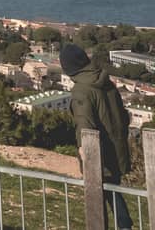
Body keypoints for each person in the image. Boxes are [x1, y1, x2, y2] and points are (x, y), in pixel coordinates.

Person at [63, 43, 132, 230]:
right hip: (117, 149)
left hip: (98, 155)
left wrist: (84, 153)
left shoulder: (81, 90)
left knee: (97, 200)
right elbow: (124, 117)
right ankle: (126, 227)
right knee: (114, 193)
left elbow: (84, 123)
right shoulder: (106, 81)